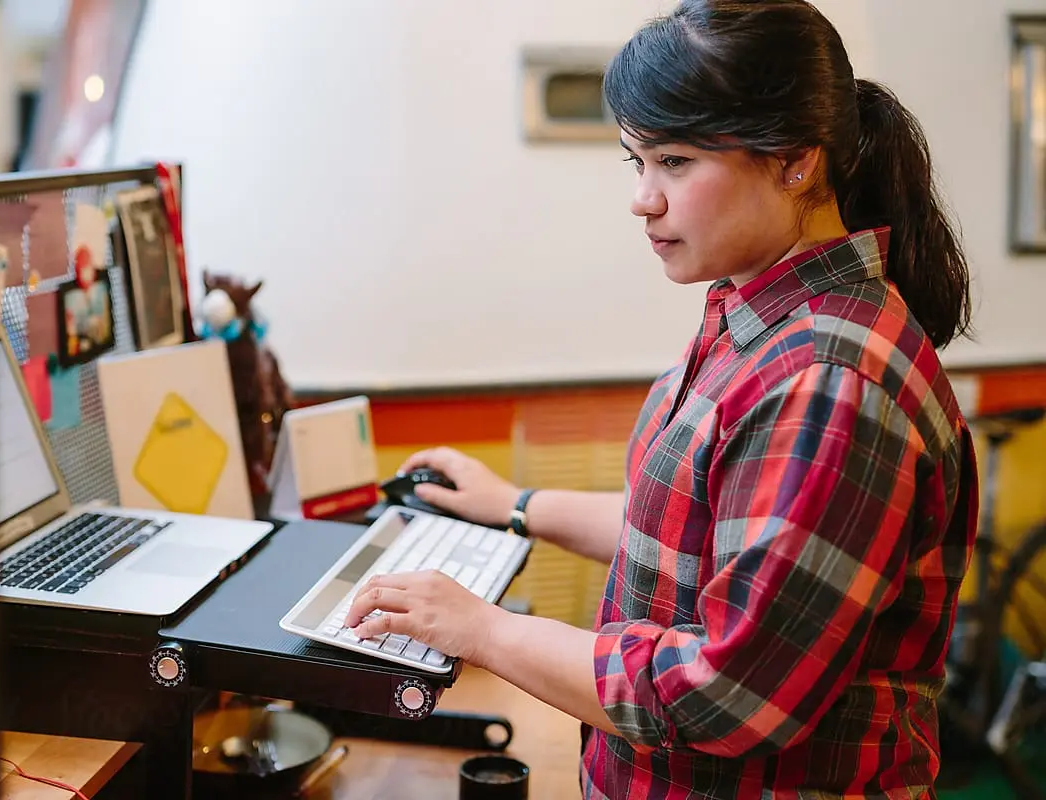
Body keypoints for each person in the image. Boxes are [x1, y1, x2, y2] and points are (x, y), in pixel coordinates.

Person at [344, 0, 979, 796]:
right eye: (636, 162)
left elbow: (725, 693)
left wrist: (485, 631)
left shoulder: (829, 380)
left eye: (674, 162)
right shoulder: (757, 319)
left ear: (794, 161)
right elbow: (694, 539)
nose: (644, 198)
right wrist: (514, 506)